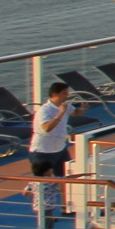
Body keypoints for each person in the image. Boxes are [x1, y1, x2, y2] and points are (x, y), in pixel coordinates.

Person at [30, 82, 76, 220]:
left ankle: (66, 207)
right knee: (44, 184)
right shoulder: (45, 110)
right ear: (55, 94)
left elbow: (75, 112)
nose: (67, 95)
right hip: (42, 151)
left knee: (65, 178)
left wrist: (82, 109)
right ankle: (44, 214)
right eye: (64, 93)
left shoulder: (66, 106)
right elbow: (46, 128)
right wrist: (61, 113)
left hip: (60, 149)